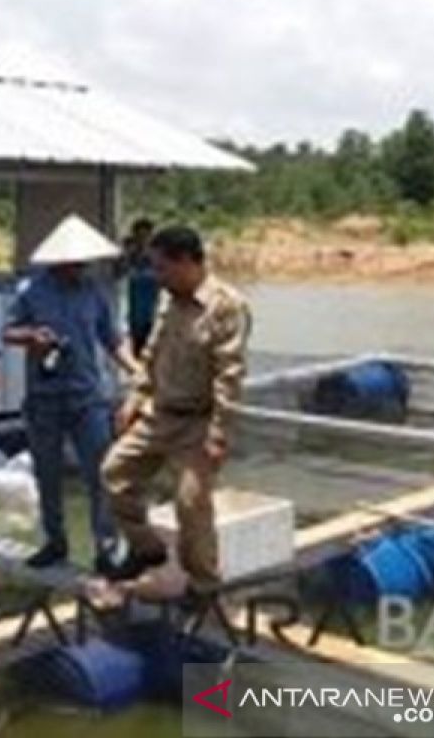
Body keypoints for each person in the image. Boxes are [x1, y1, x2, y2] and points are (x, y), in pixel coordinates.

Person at [101, 225, 252, 595]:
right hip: (160, 414)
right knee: (114, 473)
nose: (157, 276)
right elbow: (153, 353)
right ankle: (146, 549)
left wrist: (219, 434)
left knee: (190, 503)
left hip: (198, 422)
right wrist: (136, 396)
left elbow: (229, 376)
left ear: (186, 262)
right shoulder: (169, 299)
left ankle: (203, 583)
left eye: (162, 267)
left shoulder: (227, 305)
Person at [4, 214, 139, 572]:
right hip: (44, 398)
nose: (78, 267)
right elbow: (8, 331)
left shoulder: (94, 292)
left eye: (83, 262)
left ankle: (105, 547)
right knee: (47, 474)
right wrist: (32, 337)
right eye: (72, 262)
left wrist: (136, 370)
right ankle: (54, 541)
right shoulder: (32, 292)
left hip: (87, 398)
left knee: (102, 473)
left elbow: (111, 339)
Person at [118, 218, 159, 356]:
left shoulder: (158, 258)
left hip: (153, 313)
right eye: (140, 237)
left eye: (146, 237)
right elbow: (119, 273)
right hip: (133, 315)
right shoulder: (130, 257)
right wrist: (128, 254)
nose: (143, 241)